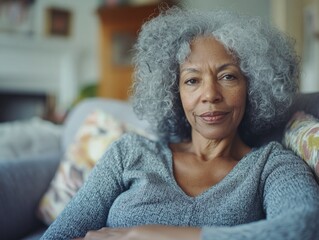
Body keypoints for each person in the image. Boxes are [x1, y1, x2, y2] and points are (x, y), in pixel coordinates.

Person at [41, 7, 319, 240]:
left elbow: (304, 227)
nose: (210, 95)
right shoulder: (128, 153)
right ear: (174, 92)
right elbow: (61, 235)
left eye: (228, 76)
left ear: (253, 86)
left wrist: (146, 235)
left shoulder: (272, 165)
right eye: (192, 80)